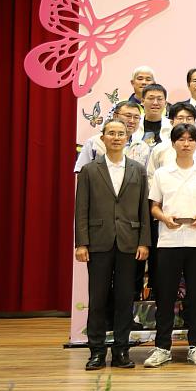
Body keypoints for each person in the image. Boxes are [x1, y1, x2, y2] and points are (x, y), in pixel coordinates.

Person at [75, 120, 151, 370]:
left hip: (129, 242)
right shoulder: (89, 170)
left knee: (124, 299)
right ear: (103, 138)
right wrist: (81, 243)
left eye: (121, 134)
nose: (117, 137)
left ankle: (121, 350)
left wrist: (144, 241)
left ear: (127, 138)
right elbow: (81, 208)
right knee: (97, 299)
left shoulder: (138, 169)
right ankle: (96, 351)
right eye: (112, 133)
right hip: (98, 241)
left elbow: (143, 208)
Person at [144, 124, 196, 368]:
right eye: (181, 139)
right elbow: (154, 206)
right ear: (173, 143)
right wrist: (164, 218)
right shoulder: (162, 173)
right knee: (165, 296)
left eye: (190, 139)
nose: (186, 144)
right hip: (169, 241)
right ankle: (162, 348)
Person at [75, 101, 150, 173]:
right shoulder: (94, 142)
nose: (132, 121)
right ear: (115, 116)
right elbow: (81, 171)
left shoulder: (143, 147)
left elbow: (146, 176)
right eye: (128, 116)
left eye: (136, 117)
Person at [147, 102, 196, 179]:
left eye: (189, 118)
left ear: (195, 122)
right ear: (171, 122)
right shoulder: (160, 149)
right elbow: (151, 176)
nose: (185, 122)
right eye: (180, 118)